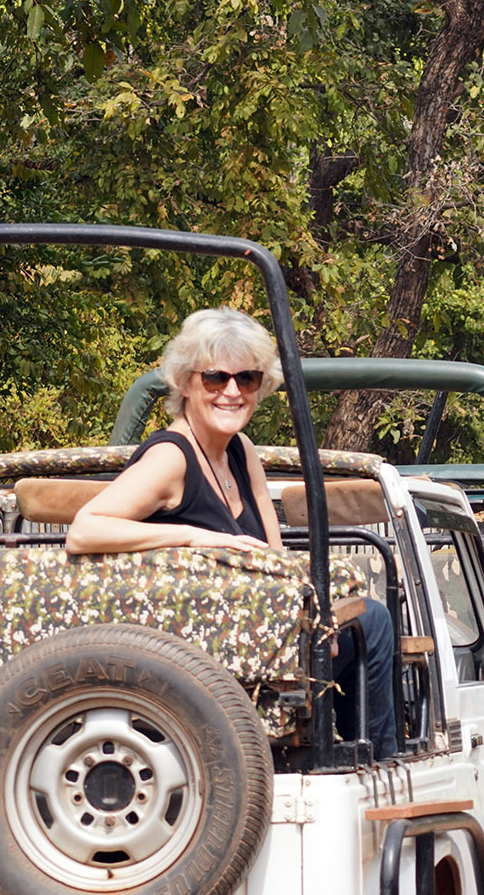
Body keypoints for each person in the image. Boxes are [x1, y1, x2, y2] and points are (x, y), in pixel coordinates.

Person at [71, 307, 399, 755]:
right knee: (375, 623)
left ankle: (357, 757)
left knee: (364, 618)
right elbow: (85, 530)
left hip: (256, 635)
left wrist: (318, 611)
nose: (231, 391)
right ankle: (373, 760)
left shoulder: (241, 451)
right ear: (186, 383)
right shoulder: (172, 458)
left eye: (246, 379)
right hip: (201, 656)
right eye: (215, 379)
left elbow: (278, 559)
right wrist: (191, 536)